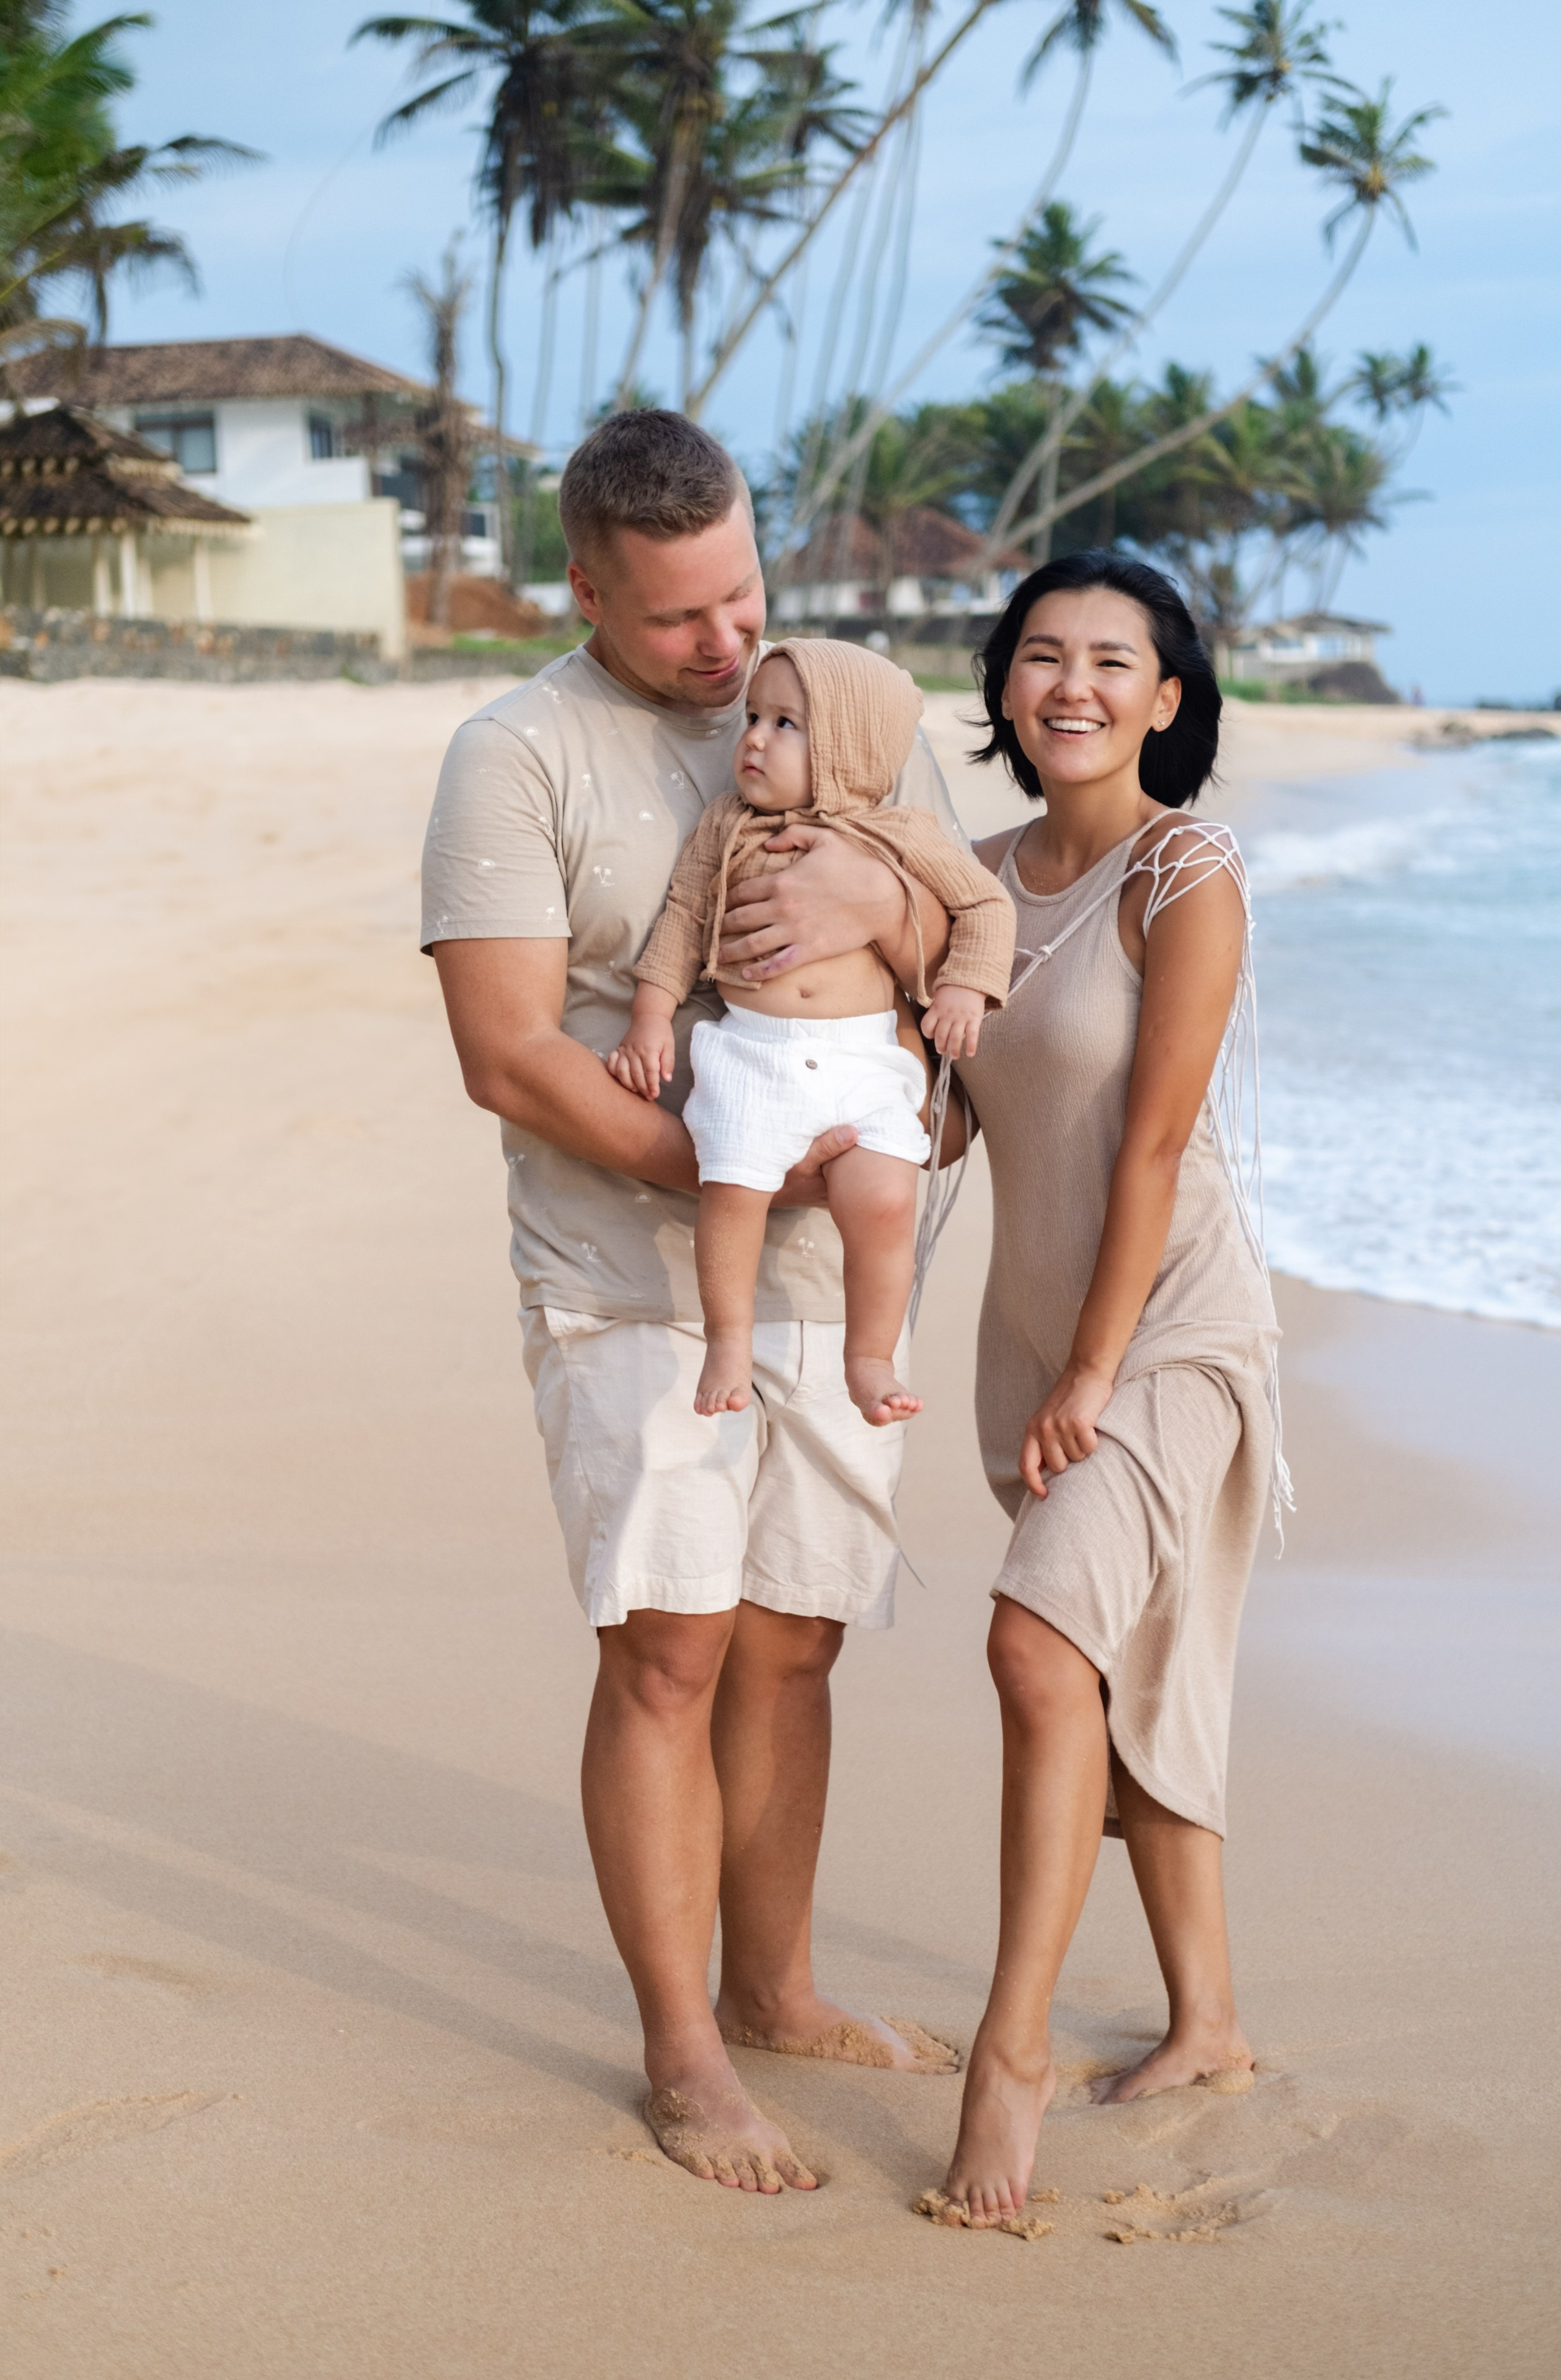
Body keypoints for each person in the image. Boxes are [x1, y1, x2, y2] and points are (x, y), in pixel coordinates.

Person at [420, 408, 966, 2197]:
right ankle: (682, 2055)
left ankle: (780, 1988)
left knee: (798, 1636)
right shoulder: (517, 755)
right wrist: (741, 1170)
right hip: (632, 1278)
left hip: (843, 1272)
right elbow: (510, 1055)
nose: (731, 654)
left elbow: (959, 958)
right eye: (679, 622)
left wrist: (894, 1119)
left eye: (744, 597)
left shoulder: (840, 708)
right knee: (672, 1647)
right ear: (584, 584)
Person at [928, 552, 1286, 2231]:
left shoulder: (1183, 872)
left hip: (1170, 1329)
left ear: (1167, 699)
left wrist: (1094, 1365)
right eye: (1043, 655)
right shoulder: (969, 880)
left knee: (1035, 1643)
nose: (1072, 683)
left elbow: (1151, 1138)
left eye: (1112, 661)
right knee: (1125, 1666)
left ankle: (1010, 2058)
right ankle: (1207, 2020)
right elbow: (940, 1117)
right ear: (1004, 683)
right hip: (1035, 1332)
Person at [610, 637, 1014, 1425]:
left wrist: (966, 987)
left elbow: (985, 907)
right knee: (731, 1189)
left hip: (863, 1059)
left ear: (850, 748)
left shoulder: (903, 832)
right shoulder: (725, 826)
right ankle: (727, 1339)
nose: (754, 737)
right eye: (753, 716)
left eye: (785, 723)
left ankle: (868, 1355)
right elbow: (685, 920)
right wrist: (650, 1017)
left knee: (887, 1198)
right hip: (753, 1054)